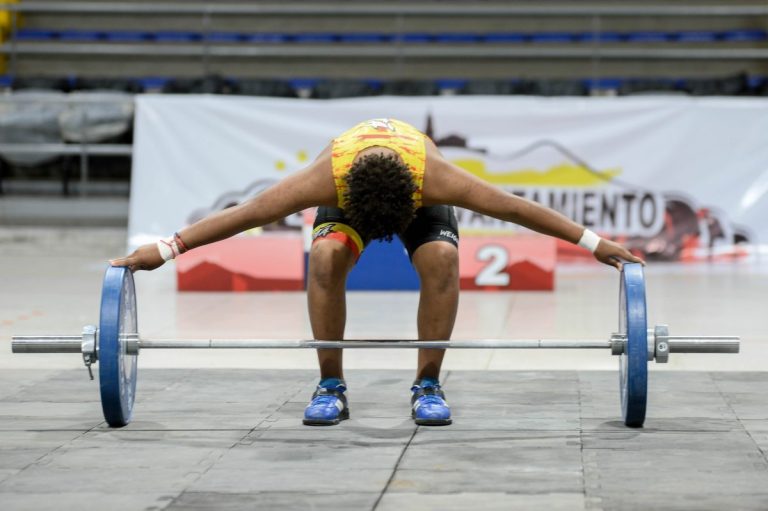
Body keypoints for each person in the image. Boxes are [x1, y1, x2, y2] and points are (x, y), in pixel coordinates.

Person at [111, 118, 644, 427]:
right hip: (356, 194)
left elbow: (515, 207)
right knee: (324, 257)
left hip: (410, 196)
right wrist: (165, 248)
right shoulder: (325, 181)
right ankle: (329, 386)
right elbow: (246, 214)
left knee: (441, 258)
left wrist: (594, 244)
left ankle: (428, 385)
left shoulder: (436, 179)